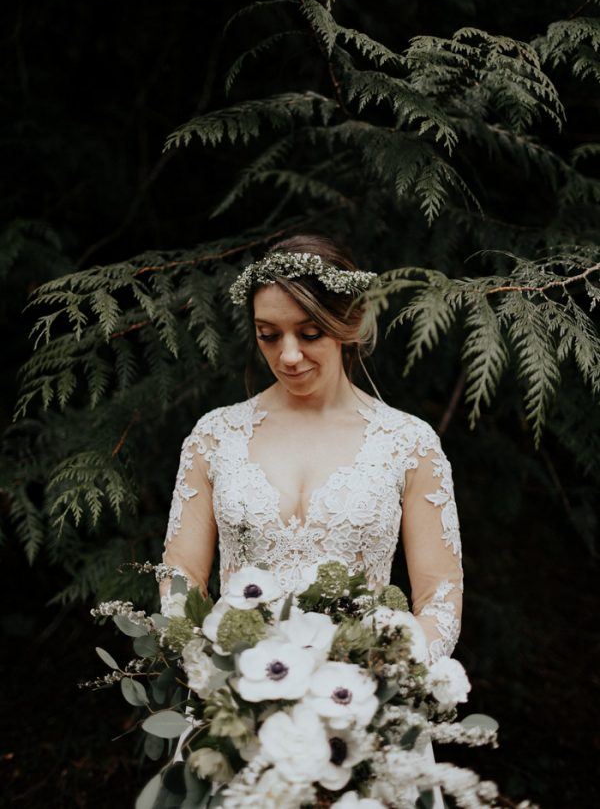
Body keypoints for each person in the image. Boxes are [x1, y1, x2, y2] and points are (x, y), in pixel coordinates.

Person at [159, 232, 463, 668]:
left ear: (350, 324)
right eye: (268, 335)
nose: (288, 355)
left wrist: (390, 677)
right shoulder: (216, 436)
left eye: (310, 332)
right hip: (238, 697)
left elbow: (440, 594)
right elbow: (181, 577)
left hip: (360, 701)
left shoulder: (408, 443)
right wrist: (208, 666)